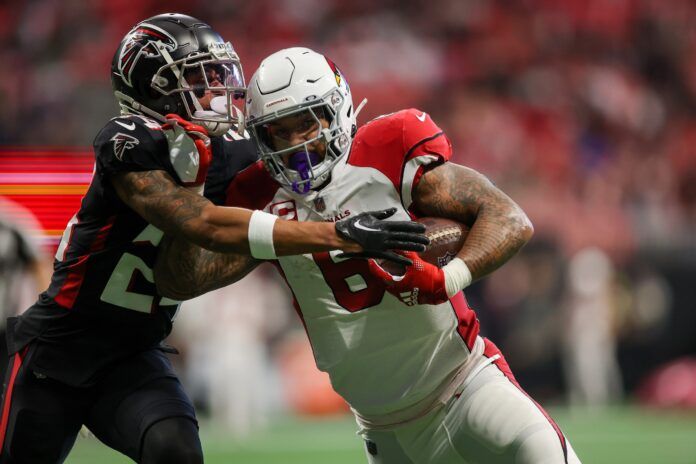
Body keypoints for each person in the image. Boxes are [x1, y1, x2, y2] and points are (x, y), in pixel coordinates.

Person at [0, 18, 427, 464]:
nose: (217, 90)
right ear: (150, 89)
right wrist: (335, 234)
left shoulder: (232, 147)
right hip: (57, 349)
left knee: (177, 452)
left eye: (218, 75)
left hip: (134, 354)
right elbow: (201, 224)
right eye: (197, 78)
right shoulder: (126, 141)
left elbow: (313, 160)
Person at [155, 47, 582, 463]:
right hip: (380, 426)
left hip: (465, 386)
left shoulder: (385, 152)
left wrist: (448, 279)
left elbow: (510, 218)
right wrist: (194, 188)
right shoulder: (258, 193)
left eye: (306, 123)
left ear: (336, 111)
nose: (294, 144)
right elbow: (180, 280)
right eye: (277, 131)